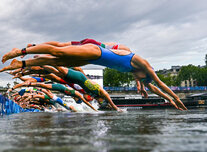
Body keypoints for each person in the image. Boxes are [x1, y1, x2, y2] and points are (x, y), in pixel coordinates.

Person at [1, 42, 187, 110]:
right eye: (144, 83)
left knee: (58, 61)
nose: (145, 85)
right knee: (58, 53)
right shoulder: (143, 64)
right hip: (96, 52)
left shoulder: (139, 75)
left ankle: (22, 64)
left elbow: (154, 89)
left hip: (95, 58)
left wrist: (169, 101)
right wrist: (176, 98)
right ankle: (21, 52)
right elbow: (160, 84)